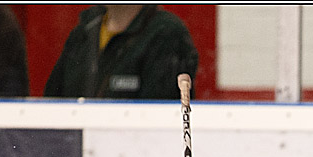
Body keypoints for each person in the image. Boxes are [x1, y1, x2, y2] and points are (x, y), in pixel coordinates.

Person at [44, 5, 198, 100]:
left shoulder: (166, 34)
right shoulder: (85, 30)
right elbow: (52, 104)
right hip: (74, 148)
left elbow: (161, 121)